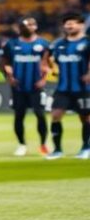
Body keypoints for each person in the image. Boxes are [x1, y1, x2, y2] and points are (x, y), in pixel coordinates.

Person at [0, 17, 50, 156]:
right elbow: (4, 62)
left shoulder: (44, 44)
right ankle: (22, 144)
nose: (30, 27)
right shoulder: (11, 44)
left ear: (36, 26)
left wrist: (44, 79)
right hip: (18, 87)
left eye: (32, 25)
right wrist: (8, 75)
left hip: (36, 87)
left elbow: (48, 63)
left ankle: (43, 144)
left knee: (40, 115)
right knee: (19, 116)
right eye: (27, 25)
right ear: (20, 28)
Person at [45, 13, 90, 160]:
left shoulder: (87, 42)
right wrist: (51, 68)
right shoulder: (58, 44)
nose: (69, 26)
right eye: (67, 23)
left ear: (82, 25)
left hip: (83, 88)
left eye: (73, 23)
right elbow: (47, 58)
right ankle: (57, 150)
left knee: (86, 118)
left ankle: (86, 148)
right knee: (56, 115)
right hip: (63, 88)